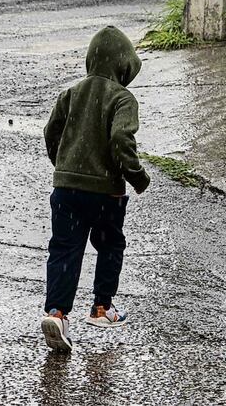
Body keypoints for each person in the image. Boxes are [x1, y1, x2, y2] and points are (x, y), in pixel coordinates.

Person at [39, 25, 150, 353]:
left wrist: (64, 166)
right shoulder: (122, 98)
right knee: (110, 245)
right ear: (124, 65)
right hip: (105, 193)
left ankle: (57, 314)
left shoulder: (71, 93)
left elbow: (50, 132)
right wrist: (136, 176)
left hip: (66, 189)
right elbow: (121, 139)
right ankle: (102, 307)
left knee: (64, 248)